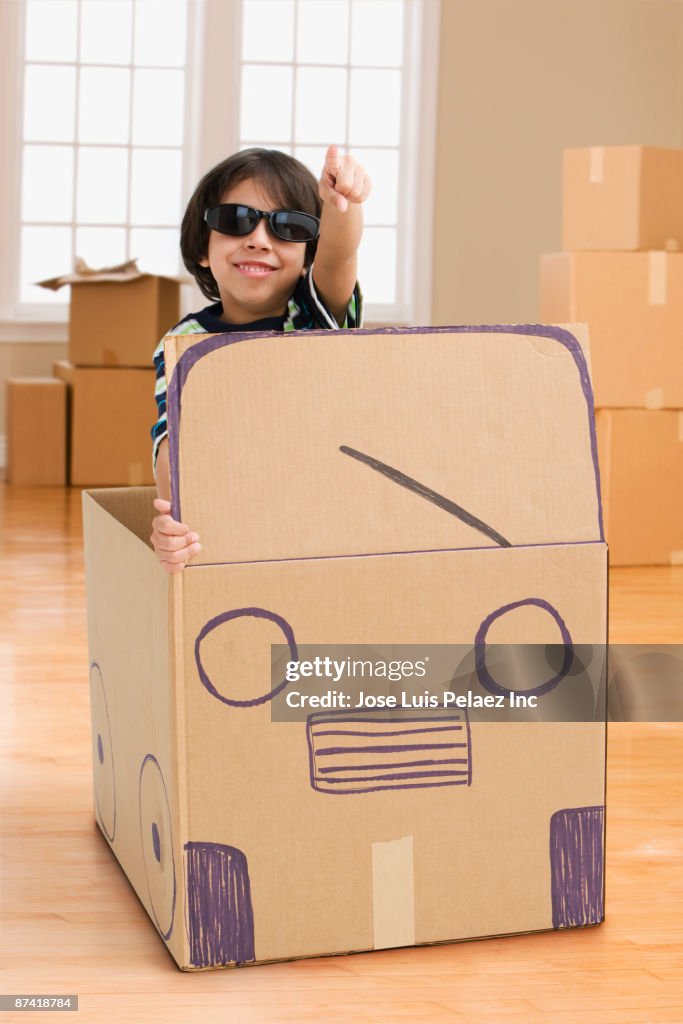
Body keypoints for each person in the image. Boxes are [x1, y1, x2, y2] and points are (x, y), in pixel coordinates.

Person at [150, 143, 371, 572]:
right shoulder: (185, 340)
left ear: (309, 255)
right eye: (236, 221)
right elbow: (171, 447)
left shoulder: (310, 315)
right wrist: (173, 526)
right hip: (236, 527)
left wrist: (342, 203)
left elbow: (340, 253)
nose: (258, 241)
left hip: (330, 525)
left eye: (288, 228)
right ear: (202, 246)